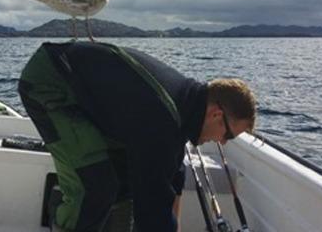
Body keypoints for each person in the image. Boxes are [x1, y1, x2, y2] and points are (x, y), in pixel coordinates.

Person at [18, 41, 257, 232]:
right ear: (216, 115)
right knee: (95, 186)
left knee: (124, 179)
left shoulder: (183, 107)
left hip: (85, 92)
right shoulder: (163, 120)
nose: (223, 142)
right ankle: (63, 218)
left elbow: (171, 179)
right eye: (228, 135)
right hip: (49, 81)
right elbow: (152, 211)